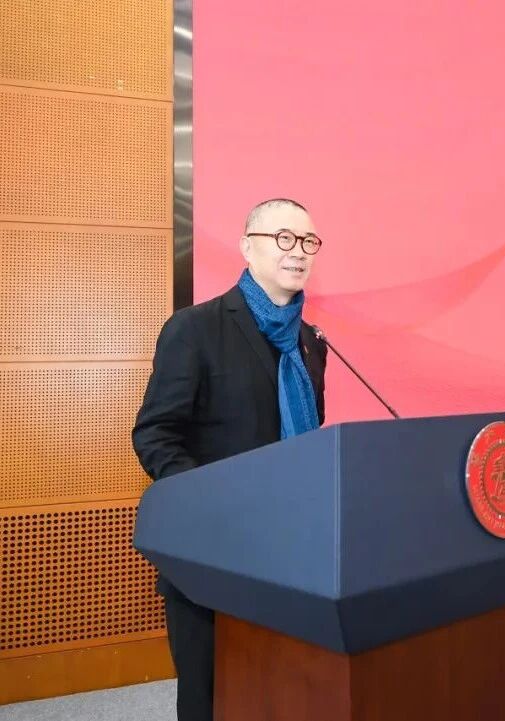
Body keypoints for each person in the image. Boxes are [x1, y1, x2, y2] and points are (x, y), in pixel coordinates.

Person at [132, 198, 327, 721]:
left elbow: (309, 442)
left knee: (282, 690)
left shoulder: (311, 344)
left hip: (291, 552)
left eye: (308, 241)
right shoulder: (195, 329)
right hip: (212, 551)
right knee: (212, 696)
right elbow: (156, 433)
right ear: (247, 247)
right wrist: (212, 503)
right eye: (283, 238)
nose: (298, 251)